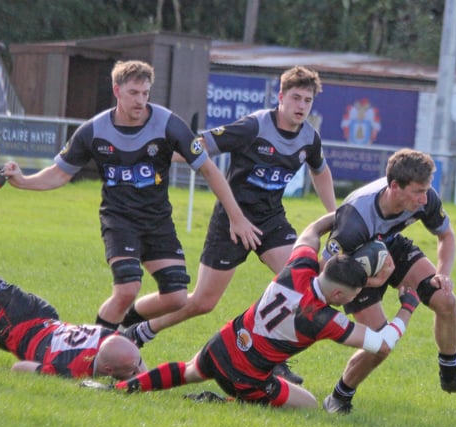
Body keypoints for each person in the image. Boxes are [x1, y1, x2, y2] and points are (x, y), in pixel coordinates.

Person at [2, 60, 260, 336]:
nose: (140, 100)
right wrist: (22, 181)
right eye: (134, 93)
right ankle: (91, 352)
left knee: (176, 298)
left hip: (157, 222)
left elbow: (209, 169)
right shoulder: (93, 131)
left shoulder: (169, 124)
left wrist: (237, 217)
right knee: (127, 289)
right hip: (119, 220)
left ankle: (125, 326)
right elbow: (58, 174)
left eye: (145, 93)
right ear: (117, 91)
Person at [121, 65, 336, 385]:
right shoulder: (253, 127)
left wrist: (336, 215)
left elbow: (320, 171)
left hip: (271, 221)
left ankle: (272, 360)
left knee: (303, 285)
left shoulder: (309, 137)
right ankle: (139, 328)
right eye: (295, 98)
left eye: (308, 100)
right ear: (280, 97)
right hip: (232, 221)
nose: (302, 106)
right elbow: (200, 145)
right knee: (201, 303)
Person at [83, 212, 421, 408]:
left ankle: (120, 389)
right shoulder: (324, 320)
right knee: (309, 405)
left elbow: (311, 231)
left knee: (187, 370)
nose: (356, 297)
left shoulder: (300, 268)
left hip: (223, 344)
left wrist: (342, 215)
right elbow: (382, 343)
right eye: (354, 293)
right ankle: (226, 402)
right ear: (336, 292)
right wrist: (406, 307)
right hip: (247, 379)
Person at [0, 140, 145, 379]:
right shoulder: (72, 369)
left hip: (39, 321)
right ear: (106, 371)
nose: (137, 370)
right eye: (135, 368)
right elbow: (19, 368)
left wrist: (140, 379)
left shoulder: (115, 342)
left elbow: (135, 364)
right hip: (17, 322)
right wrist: (66, 378)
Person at [321, 148, 456, 414]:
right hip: (354, 267)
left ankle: (450, 376)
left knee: (445, 298)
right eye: (418, 192)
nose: (425, 199)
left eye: (427, 190)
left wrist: (442, 273)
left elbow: (447, 236)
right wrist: (376, 281)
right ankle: (339, 397)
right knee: (380, 344)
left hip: (390, 246)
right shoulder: (355, 219)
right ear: (394, 187)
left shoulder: (426, 198)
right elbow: (328, 274)